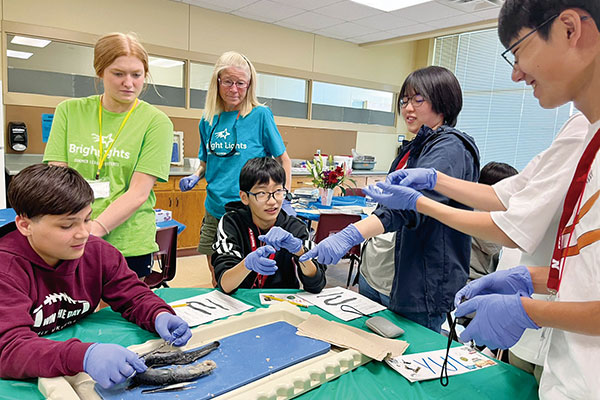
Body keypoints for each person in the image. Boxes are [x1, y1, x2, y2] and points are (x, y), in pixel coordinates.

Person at [365, 2, 600, 397]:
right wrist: (538, 279)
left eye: (519, 49)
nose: (515, 72)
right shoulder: (586, 131)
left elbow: (511, 219)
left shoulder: (453, 144)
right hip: (570, 370)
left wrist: (420, 202)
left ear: (569, 29)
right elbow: (510, 195)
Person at [301, 66, 480, 332]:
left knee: (406, 363)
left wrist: (350, 235)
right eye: (405, 100)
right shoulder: (414, 147)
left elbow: (409, 208)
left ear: (443, 101)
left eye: (418, 99)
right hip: (377, 275)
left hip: (416, 285)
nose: (408, 108)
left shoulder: (450, 147)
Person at [0, 164, 191, 389]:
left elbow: (133, 295)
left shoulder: (97, 252)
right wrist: (83, 356)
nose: (83, 233)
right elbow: (8, 349)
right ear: (25, 225)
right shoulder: (6, 270)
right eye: (67, 225)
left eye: (87, 219)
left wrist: (157, 313)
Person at [43, 32, 173, 278]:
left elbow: (138, 192)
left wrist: (93, 229)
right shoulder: (69, 112)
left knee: (119, 316)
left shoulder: (156, 122)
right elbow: (57, 181)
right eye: (118, 73)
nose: (129, 83)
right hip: (70, 238)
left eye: (136, 75)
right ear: (100, 72)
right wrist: (75, 231)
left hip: (128, 243)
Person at [178, 51, 292, 286]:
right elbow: (206, 162)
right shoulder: (208, 119)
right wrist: (195, 175)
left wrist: (284, 195)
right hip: (215, 208)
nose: (234, 89)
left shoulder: (260, 115)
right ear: (217, 82)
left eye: (241, 83)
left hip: (250, 211)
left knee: (252, 275)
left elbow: (284, 160)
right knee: (219, 276)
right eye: (228, 82)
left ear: (249, 85)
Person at [212, 157, 325, 294]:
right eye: (261, 193)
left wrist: (300, 253)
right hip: (240, 300)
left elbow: (316, 285)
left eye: (278, 191)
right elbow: (225, 284)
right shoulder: (231, 223)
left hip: (282, 304)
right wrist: (247, 264)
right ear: (244, 197)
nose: (272, 201)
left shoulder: (295, 227)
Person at [469, 162, 518, 281]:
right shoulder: (482, 216)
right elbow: (493, 246)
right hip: (470, 281)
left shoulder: (470, 208)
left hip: (475, 279)